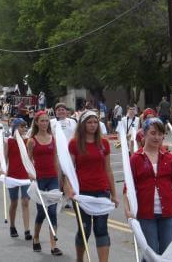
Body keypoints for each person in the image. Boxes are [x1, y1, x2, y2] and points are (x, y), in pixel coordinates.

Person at [123, 118, 172, 258]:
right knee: (151, 253)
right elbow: (128, 188)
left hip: (168, 214)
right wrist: (128, 210)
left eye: (160, 134)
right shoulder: (136, 159)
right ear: (144, 134)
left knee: (167, 253)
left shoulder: (169, 158)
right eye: (153, 133)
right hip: (146, 214)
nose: (157, 137)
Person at [64, 110, 118, 262]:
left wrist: (113, 194)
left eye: (95, 122)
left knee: (101, 229)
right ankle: (80, 259)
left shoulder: (104, 143)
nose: (93, 125)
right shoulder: (74, 144)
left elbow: (108, 169)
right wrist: (69, 189)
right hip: (82, 192)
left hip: (102, 190)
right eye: (89, 122)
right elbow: (68, 170)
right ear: (82, 124)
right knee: (84, 230)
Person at [26, 111, 62, 256]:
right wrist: (30, 174)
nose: (45, 123)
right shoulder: (32, 140)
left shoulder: (53, 139)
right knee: (42, 212)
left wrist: (60, 178)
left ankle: (54, 245)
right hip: (39, 179)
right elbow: (27, 160)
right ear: (36, 122)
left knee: (53, 212)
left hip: (52, 178)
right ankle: (35, 238)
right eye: (42, 121)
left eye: (47, 121)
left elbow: (56, 160)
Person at [6, 118, 32, 240]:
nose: (23, 129)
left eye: (24, 126)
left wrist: (33, 171)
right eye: (20, 126)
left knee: (25, 201)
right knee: (14, 202)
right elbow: (5, 157)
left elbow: (31, 158)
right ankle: (12, 226)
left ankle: (27, 230)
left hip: (25, 174)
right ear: (15, 128)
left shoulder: (28, 141)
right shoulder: (9, 141)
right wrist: (2, 169)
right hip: (12, 174)